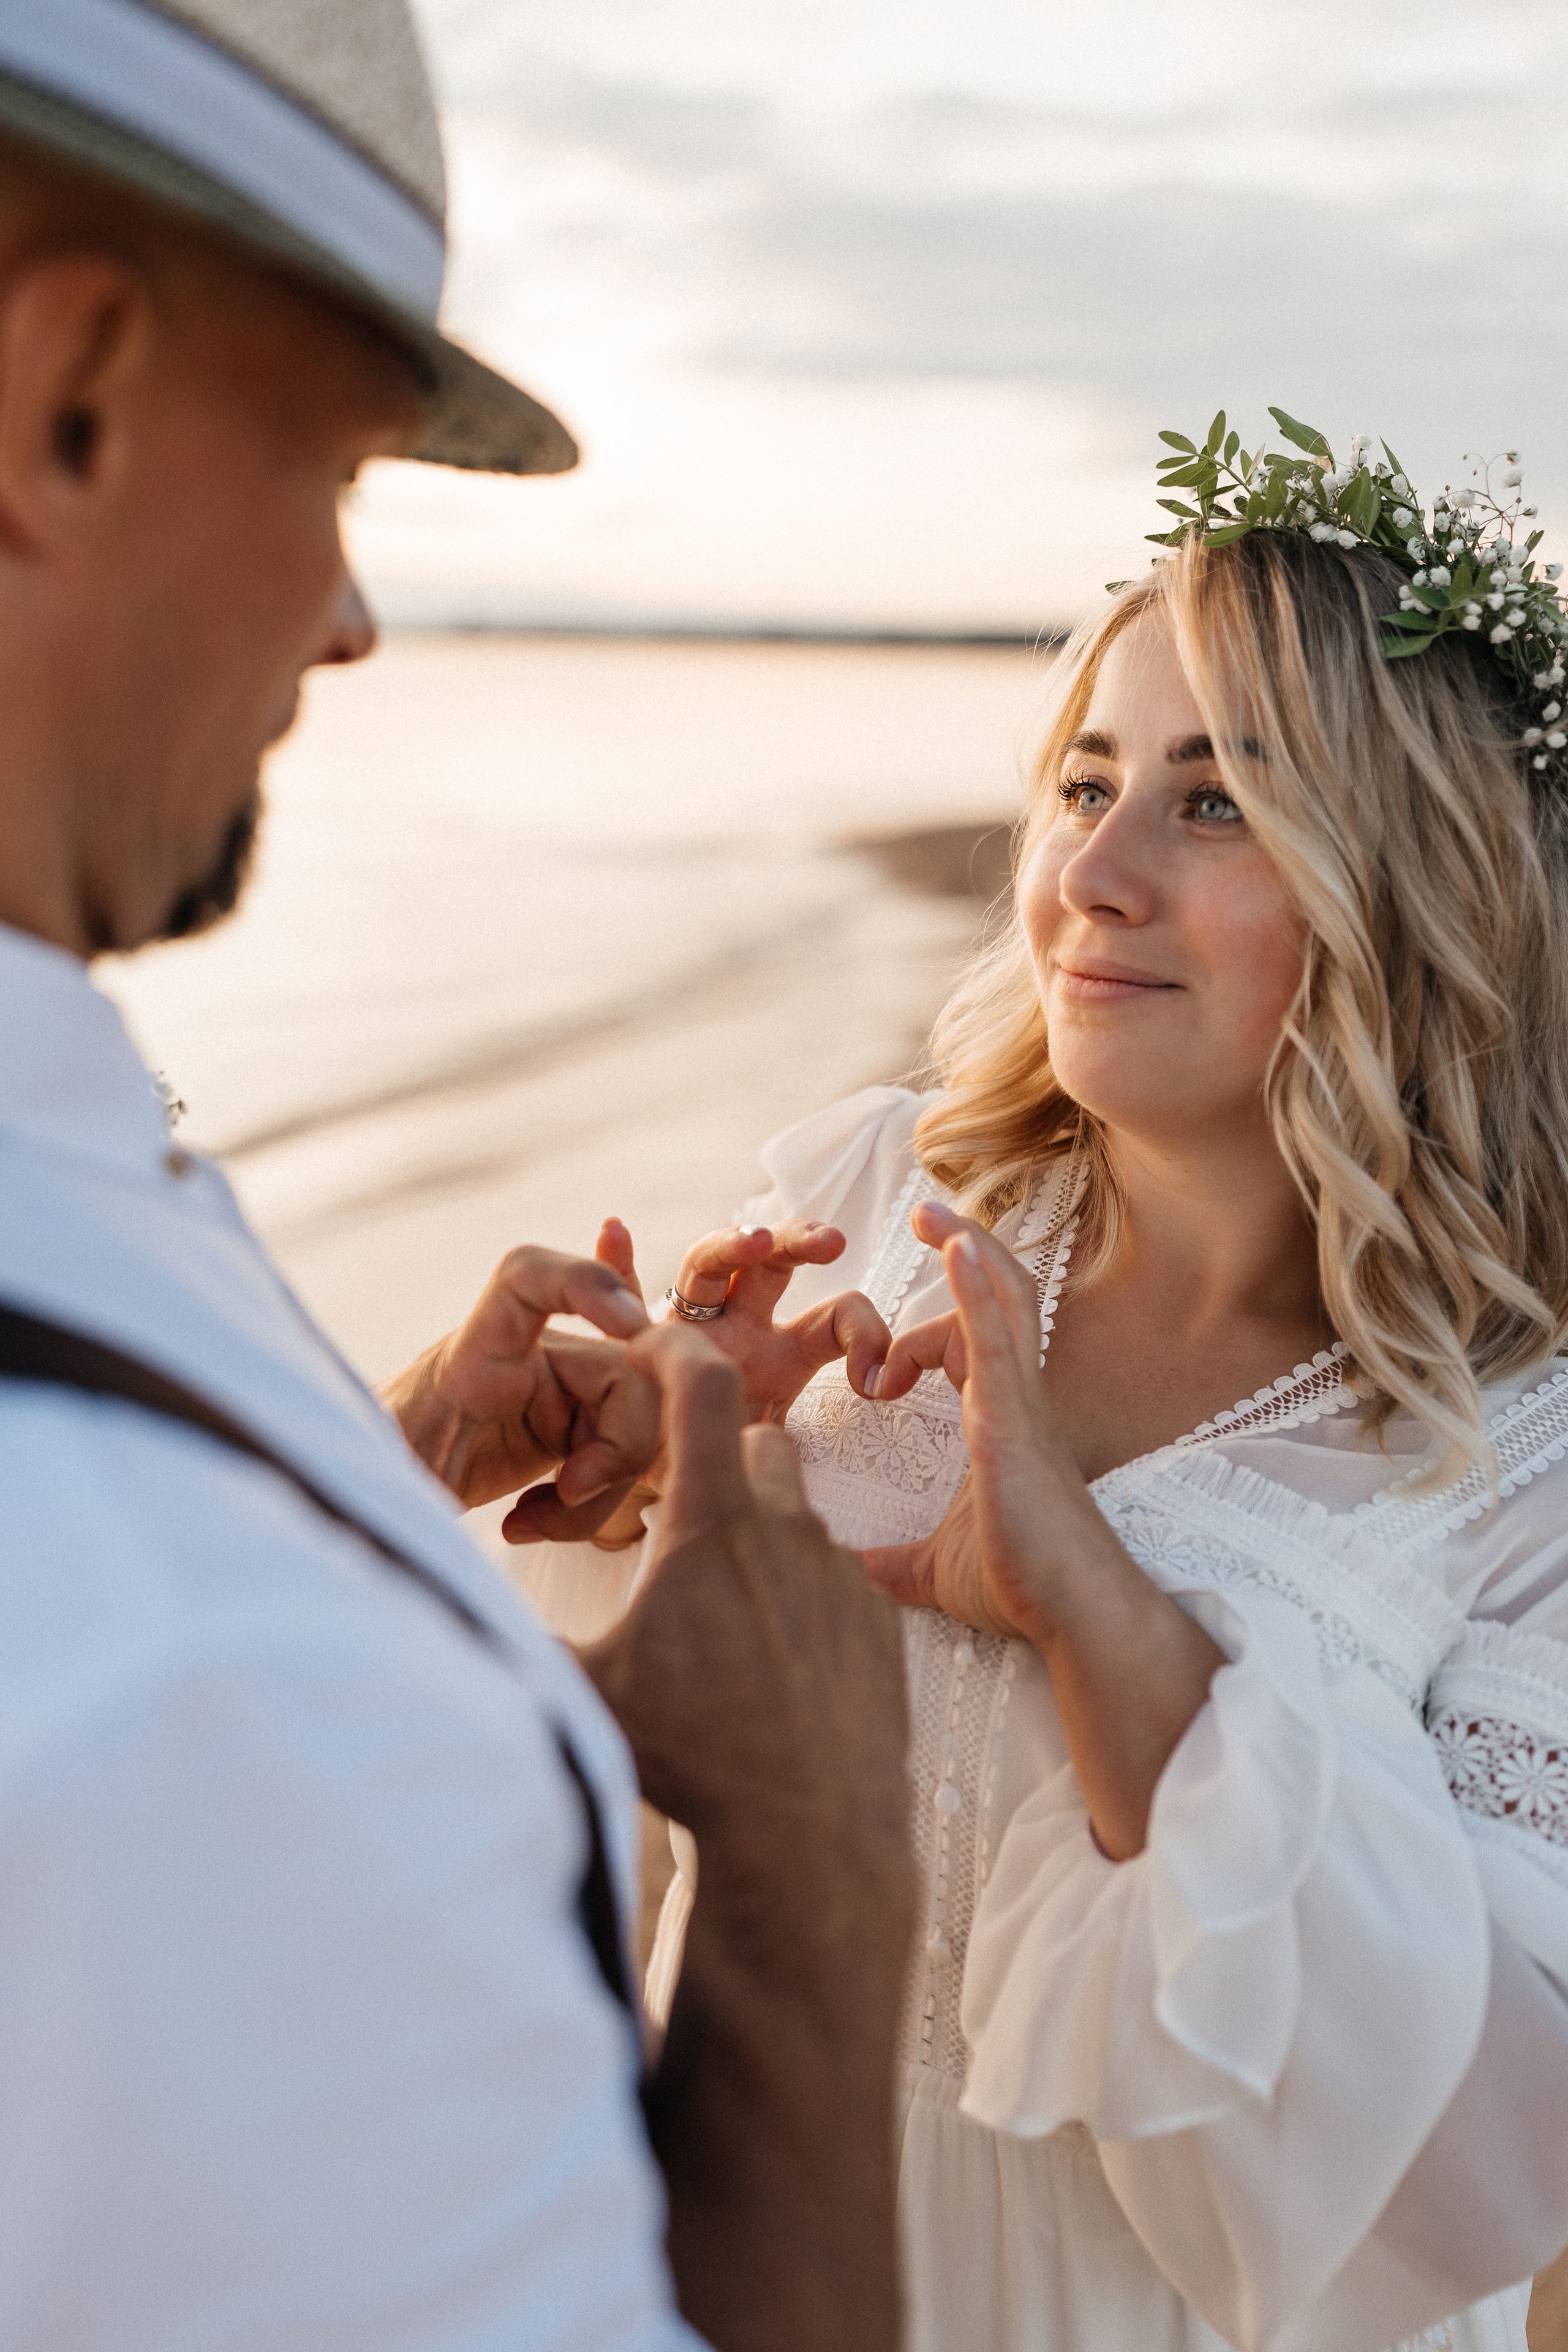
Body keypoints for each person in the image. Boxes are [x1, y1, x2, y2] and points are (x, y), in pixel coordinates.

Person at [0, 6, 915, 2347]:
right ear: (66, 397)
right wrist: (813, 1887)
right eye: (344, 476)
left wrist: (370, 1469)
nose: (349, 619)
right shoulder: (205, 1689)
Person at [524, 421, 1568, 2351]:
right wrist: (684, 1473)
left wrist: (1093, 1607)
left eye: (1216, 803)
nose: (1091, 870)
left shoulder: (1531, 1454)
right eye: (1084, 783)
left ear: (1413, 877)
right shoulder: (865, 1205)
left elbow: (1504, 2137)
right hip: (739, 2248)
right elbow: (610, 1812)